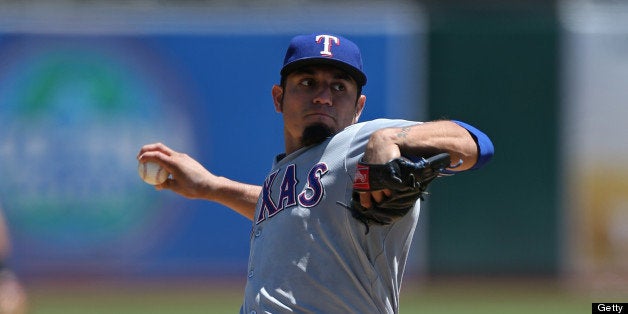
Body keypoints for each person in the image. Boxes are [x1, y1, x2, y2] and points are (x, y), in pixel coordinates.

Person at [138, 33, 494, 313]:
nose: (323, 96)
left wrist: (391, 138)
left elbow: (475, 143)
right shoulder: (287, 173)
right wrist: (212, 187)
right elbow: (294, 213)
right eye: (308, 83)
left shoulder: (360, 143)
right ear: (279, 98)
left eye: (339, 87)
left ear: (358, 108)